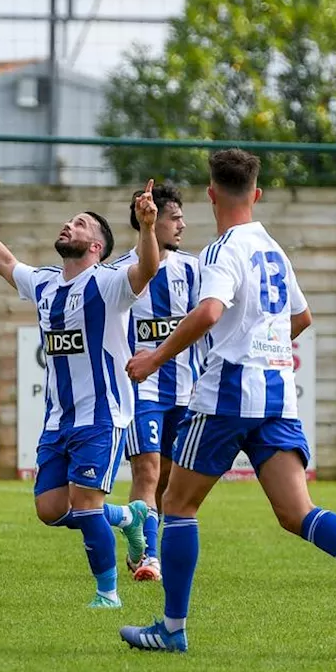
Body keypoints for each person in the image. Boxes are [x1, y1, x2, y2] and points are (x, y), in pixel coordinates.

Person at [118, 149, 336, 653]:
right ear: (255, 194)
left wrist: (155, 358)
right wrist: (264, 343)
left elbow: (210, 312)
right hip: (278, 393)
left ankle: (171, 629)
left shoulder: (222, 250)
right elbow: (301, 318)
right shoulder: (273, 249)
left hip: (230, 390)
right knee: (297, 511)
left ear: (211, 194)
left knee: (177, 504)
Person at [0, 173, 157, 609]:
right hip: (57, 420)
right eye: (69, 221)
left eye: (81, 223)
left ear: (97, 246)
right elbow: (4, 261)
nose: (70, 225)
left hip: (102, 416)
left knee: (83, 505)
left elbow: (148, 268)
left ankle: (108, 595)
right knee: (51, 509)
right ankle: (127, 515)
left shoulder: (109, 284)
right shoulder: (45, 283)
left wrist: (148, 228)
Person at [111, 183, 202, 582]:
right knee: (146, 472)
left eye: (182, 216)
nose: (182, 224)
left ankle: (144, 544)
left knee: (168, 479)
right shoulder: (119, 272)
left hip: (187, 389)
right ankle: (148, 556)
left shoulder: (193, 268)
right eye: (174, 217)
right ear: (149, 219)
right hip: (141, 388)